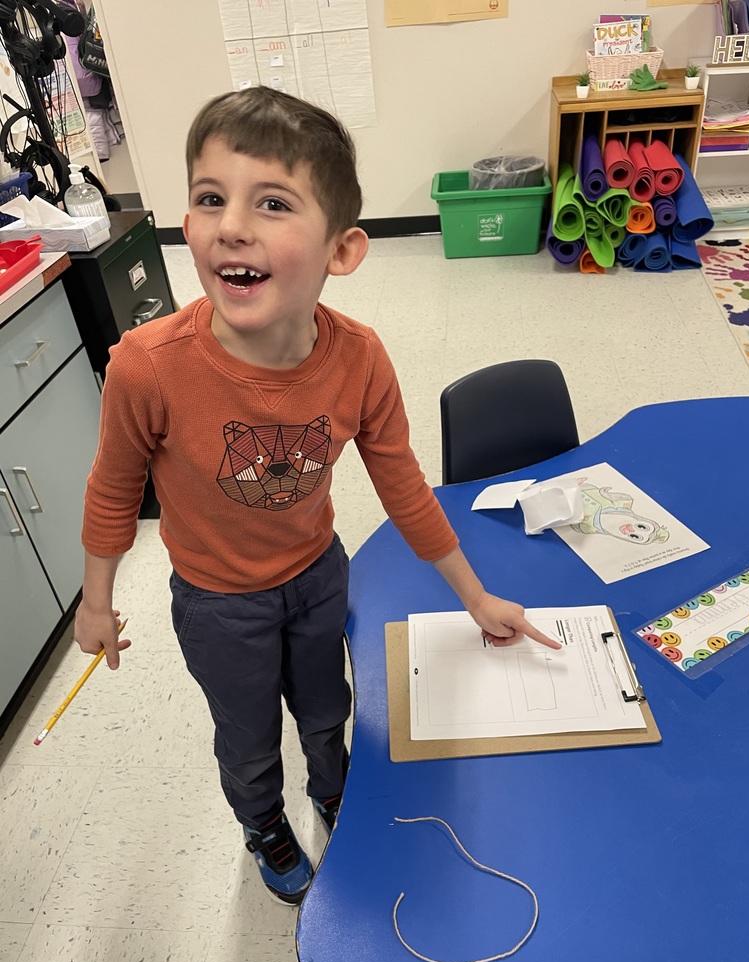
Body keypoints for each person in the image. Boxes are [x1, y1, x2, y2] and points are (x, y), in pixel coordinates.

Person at [75, 86, 560, 906]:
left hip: (316, 575)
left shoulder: (360, 359)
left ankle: (334, 793)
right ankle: (263, 818)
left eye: (272, 202)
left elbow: (404, 483)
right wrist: (96, 602)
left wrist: (476, 599)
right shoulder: (146, 366)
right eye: (209, 198)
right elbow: (113, 486)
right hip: (216, 601)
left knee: (329, 706)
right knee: (247, 732)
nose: (232, 224)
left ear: (343, 250)